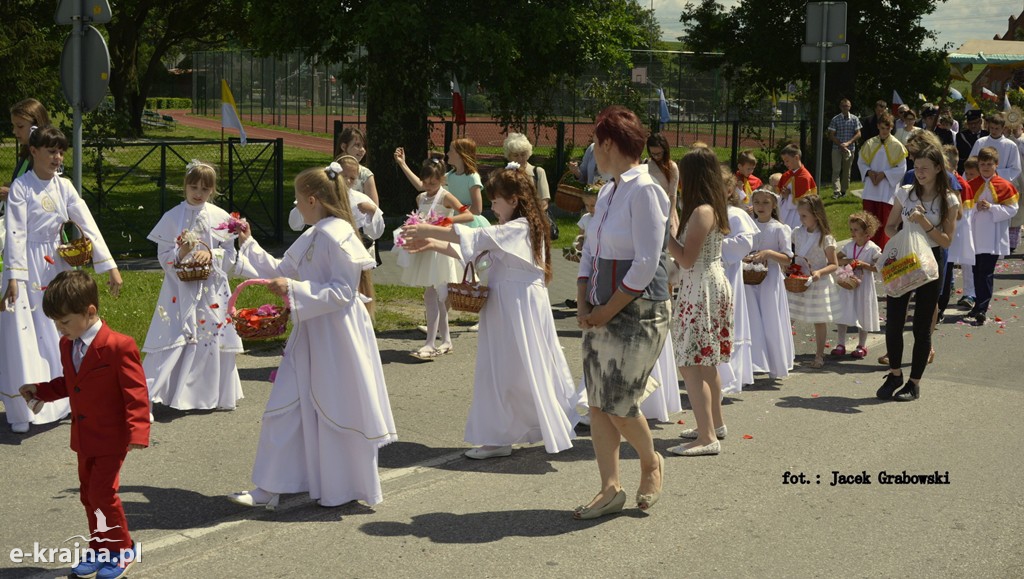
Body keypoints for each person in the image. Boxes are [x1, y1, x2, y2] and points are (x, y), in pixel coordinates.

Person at [228, 163, 397, 509]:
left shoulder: (339, 234)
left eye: (297, 200)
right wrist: (249, 244)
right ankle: (269, 487)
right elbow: (281, 271)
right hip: (310, 334)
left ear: (312, 199)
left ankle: (343, 486)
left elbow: (342, 293)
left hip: (337, 340)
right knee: (284, 407)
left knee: (336, 408)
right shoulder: (314, 232)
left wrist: (293, 289)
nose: (295, 206)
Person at [400, 165, 580, 459]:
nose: (492, 206)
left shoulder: (521, 228)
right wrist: (432, 242)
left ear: (513, 200)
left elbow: (480, 238)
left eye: (496, 200)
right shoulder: (513, 229)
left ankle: (518, 431)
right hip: (506, 304)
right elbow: (479, 252)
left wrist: (428, 228)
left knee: (518, 369)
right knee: (501, 370)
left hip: (519, 306)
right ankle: (501, 435)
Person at [19, 270, 149, 579]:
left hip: (112, 437)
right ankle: (100, 546)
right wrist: (40, 391)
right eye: (56, 323)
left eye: (64, 322)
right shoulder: (69, 345)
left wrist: (138, 431)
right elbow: (72, 383)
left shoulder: (119, 346)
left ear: (89, 311)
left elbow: (136, 393)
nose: (59, 329)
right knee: (88, 494)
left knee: (103, 493)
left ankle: (122, 550)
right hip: (84, 437)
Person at [573, 105, 669, 519]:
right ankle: (609, 487)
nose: (593, 150)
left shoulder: (645, 188)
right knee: (598, 402)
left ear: (608, 143)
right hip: (602, 307)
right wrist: (582, 300)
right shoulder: (609, 190)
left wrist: (606, 310)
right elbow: (590, 251)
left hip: (637, 310)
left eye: (595, 141)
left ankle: (650, 461)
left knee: (618, 402)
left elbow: (646, 263)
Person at [0, 125, 122, 434]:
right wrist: (13, 276)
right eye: (51, 151)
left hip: (56, 267)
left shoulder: (64, 186)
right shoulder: (21, 188)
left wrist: (109, 266)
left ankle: (62, 399)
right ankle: (23, 408)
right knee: (25, 333)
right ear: (34, 152)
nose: (57, 157)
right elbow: (15, 232)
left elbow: (87, 224)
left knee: (61, 331)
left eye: (61, 151)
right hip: (27, 266)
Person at [142, 160, 244, 412]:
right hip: (180, 288)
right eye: (194, 187)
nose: (198, 193)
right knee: (175, 332)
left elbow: (230, 255)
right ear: (185, 186)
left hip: (211, 288)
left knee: (211, 333)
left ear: (212, 191)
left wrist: (212, 255)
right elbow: (163, 254)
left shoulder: (221, 218)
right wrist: (180, 254)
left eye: (205, 189)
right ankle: (154, 392)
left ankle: (212, 395)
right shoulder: (172, 217)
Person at [877, 145, 959, 401]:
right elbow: (889, 227)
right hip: (904, 257)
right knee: (894, 320)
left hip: (930, 261)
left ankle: (914, 383)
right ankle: (894, 375)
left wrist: (924, 224)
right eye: (917, 167)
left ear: (938, 168)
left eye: (925, 168)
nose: (920, 172)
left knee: (922, 327)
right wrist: (903, 232)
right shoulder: (904, 192)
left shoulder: (949, 199)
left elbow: (946, 241)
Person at [665, 147, 732, 456]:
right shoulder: (712, 207)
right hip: (708, 282)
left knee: (690, 362)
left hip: (700, 285)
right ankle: (714, 424)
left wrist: (665, 237)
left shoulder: (702, 210)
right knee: (705, 361)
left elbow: (687, 259)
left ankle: (706, 437)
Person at [396, 158, 473, 359]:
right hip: (426, 249)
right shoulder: (421, 199)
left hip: (441, 250)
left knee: (436, 295)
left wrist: (444, 220)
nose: (429, 186)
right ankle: (445, 340)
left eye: (434, 182)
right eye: (426, 182)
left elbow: (468, 215)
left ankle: (431, 342)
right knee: (435, 296)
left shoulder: (445, 196)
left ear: (441, 180)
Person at [963, 146, 1019, 326]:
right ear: (978, 165)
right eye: (982, 164)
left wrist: (992, 207)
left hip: (992, 237)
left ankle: (982, 308)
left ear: (996, 165)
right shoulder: (971, 185)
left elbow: (1012, 209)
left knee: (986, 273)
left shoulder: (1005, 185)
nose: (985, 167)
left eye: (989, 164)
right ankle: (978, 304)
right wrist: (975, 207)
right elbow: (963, 208)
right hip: (974, 236)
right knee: (975, 271)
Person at [744, 188, 795, 380]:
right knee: (753, 320)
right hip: (751, 279)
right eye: (757, 202)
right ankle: (755, 362)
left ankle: (775, 364)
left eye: (765, 203)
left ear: (774, 205)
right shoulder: (750, 227)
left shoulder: (779, 228)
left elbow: (787, 258)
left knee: (771, 319)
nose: (760, 206)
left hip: (770, 279)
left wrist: (768, 254)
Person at [787, 195, 839, 369]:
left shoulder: (825, 238)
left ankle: (819, 355)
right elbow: (793, 255)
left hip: (818, 282)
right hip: (799, 281)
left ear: (816, 215)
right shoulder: (797, 233)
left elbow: (833, 264)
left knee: (819, 320)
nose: (801, 219)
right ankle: (784, 353)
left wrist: (820, 272)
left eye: (804, 216)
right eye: (799, 215)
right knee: (788, 317)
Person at [717, 172, 757, 395]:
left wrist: (714, 245)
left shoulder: (734, 214)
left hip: (728, 272)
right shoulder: (709, 212)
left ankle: (731, 376)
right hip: (710, 274)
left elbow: (745, 242)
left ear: (729, 190)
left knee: (729, 321)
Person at [395, 139, 489, 228]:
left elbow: (477, 209)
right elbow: (421, 185)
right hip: (453, 222)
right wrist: (402, 163)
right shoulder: (450, 175)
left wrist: (457, 210)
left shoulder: (472, 177)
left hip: (469, 224)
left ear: (460, 154)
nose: (447, 153)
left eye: (451, 150)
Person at [832, 212, 882, 359]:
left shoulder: (872, 248)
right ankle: (840, 343)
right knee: (843, 312)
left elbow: (879, 267)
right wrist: (849, 261)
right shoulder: (849, 246)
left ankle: (862, 345)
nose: (852, 233)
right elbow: (836, 259)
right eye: (851, 229)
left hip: (864, 286)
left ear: (867, 232)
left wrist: (864, 265)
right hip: (848, 284)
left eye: (856, 230)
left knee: (863, 312)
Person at [857, 111, 907, 248]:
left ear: (892, 128)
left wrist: (885, 174)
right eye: (882, 128)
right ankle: (867, 249)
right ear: (878, 126)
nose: (885, 131)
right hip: (871, 188)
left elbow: (902, 168)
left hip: (886, 190)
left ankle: (884, 249)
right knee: (868, 221)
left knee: (884, 221)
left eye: (888, 128)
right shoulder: (869, 143)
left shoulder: (897, 146)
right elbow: (861, 162)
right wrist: (868, 172)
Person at [3, 99, 51, 202]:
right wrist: (13, 185)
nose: (14, 131)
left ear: (36, 126)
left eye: (20, 126)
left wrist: (10, 193)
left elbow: (47, 194)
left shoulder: (49, 156)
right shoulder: (27, 152)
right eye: (13, 126)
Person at [969, 112, 1022, 186]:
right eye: (992, 128)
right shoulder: (980, 142)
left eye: (997, 128)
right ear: (988, 127)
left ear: (1003, 128)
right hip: (981, 182)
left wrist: (995, 173)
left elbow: (1015, 168)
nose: (994, 131)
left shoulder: (1011, 145)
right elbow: (972, 162)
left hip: (1001, 184)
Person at [503, 133, 550, 213]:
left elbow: (544, 202)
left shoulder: (538, 172)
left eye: (523, 154)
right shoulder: (504, 175)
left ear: (528, 154)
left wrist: (531, 217)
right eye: (515, 155)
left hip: (534, 218)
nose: (520, 158)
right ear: (509, 156)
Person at [645, 133, 679, 236]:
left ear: (665, 150)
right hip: (648, 208)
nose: (656, 157)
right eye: (653, 154)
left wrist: (671, 216)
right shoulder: (646, 164)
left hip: (665, 209)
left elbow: (673, 195)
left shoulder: (671, 167)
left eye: (659, 153)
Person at [827, 98, 862, 199]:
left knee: (847, 171)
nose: (845, 108)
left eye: (847, 106)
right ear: (840, 107)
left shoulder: (855, 119)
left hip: (850, 148)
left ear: (850, 107)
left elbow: (858, 133)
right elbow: (831, 135)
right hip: (836, 148)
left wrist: (848, 143)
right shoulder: (835, 119)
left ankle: (843, 190)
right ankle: (836, 191)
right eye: (843, 106)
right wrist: (840, 144)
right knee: (836, 170)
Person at [777, 144, 817, 230]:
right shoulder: (786, 175)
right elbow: (779, 194)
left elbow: (804, 202)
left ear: (796, 158)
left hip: (797, 216)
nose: (785, 164)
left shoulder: (805, 177)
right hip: (784, 213)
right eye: (784, 161)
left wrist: (789, 196)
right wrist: (783, 196)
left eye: (787, 161)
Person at [335, 127, 379, 205]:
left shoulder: (366, 174)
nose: (362, 150)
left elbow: (375, 208)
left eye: (364, 146)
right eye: (357, 145)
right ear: (344, 147)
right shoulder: (332, 170)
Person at [956, 109, 987, 174]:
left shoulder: (987, 135)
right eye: (970, 123)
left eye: (975, 123)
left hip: (983, 170)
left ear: (980, 122)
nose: (973, 126)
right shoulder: (961, 136)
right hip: (966, 170)